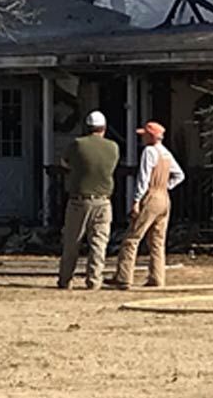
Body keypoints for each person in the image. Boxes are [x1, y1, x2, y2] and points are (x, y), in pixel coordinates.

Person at [112, 121, 184, 289]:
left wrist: (136, 200)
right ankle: (157, 278)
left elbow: (143, 178)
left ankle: (124, 277)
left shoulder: (149, 152)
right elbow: (179, 175)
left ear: (150, 136)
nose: (142, 137)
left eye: (144, 134)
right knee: (158, 241)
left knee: (132, 237)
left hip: (151, 195)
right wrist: (166, 186)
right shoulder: (166, 153)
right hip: (164, 198)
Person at [53, 110, 119, 290]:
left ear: (86, 127)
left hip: (79, 200)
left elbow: (64, 162)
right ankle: (94, 280)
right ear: (104, 128)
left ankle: (66, 279)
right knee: (99, 242)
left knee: (72, 241)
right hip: (104, 201)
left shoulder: (77, 144)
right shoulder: (113, 147)